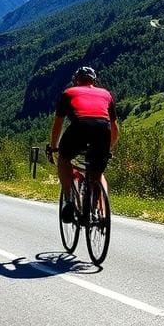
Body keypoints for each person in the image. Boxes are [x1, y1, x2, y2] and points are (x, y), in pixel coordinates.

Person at [47, 66, 118, 222]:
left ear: (76, 81)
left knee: (64, 159)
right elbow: (114, 128)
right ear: (94, 80)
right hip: (102, 129)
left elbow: (57, 125)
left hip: (79, 126)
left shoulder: (69, 93)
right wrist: (108, 149)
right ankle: (98, 212)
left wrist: (54, 148)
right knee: (97, 174)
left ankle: (70, 200)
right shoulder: (106, 94)